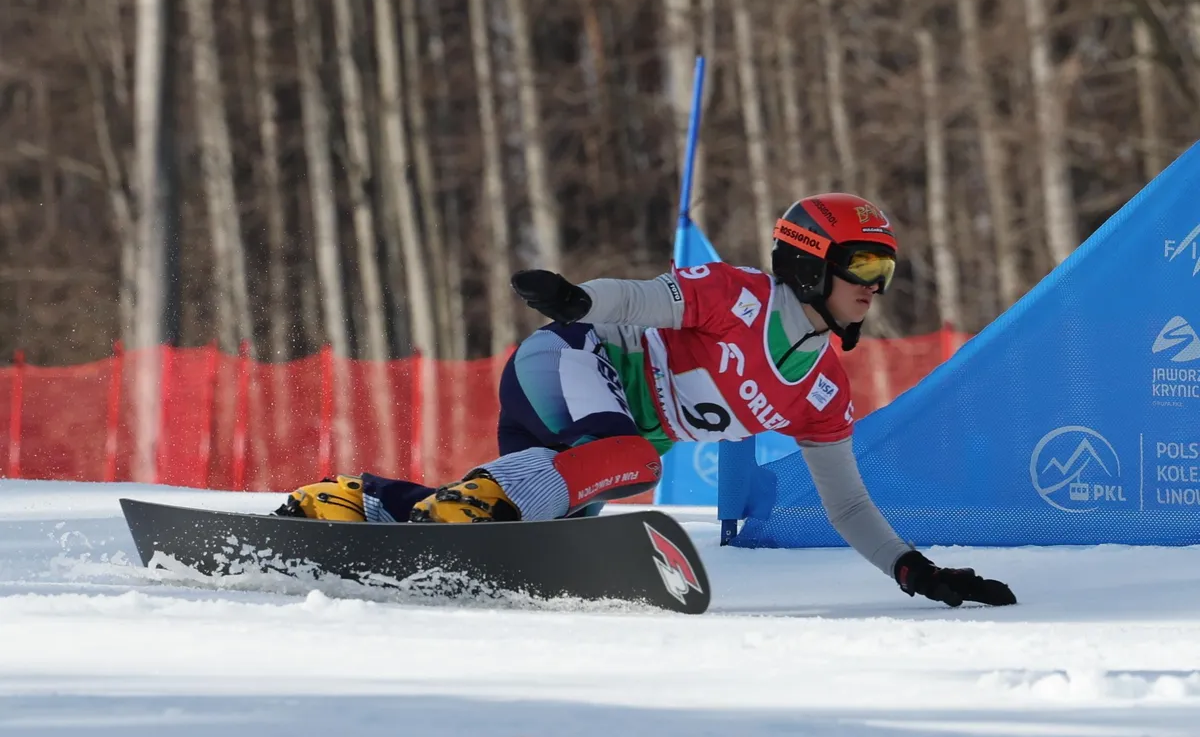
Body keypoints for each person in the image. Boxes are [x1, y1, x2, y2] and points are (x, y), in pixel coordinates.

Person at [276, 193, 1017, 608]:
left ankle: (360, 504)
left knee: (538, 531)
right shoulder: (739, 296)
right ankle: (460, 511)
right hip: (570, 359)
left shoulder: (823, 391)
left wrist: (914, 570)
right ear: (809, 261)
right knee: (636, 462)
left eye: (884, 269)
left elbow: (847, 505)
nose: (874, 286)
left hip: (595, 447)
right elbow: (639, 300)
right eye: (862, 264)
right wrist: (576, 299)